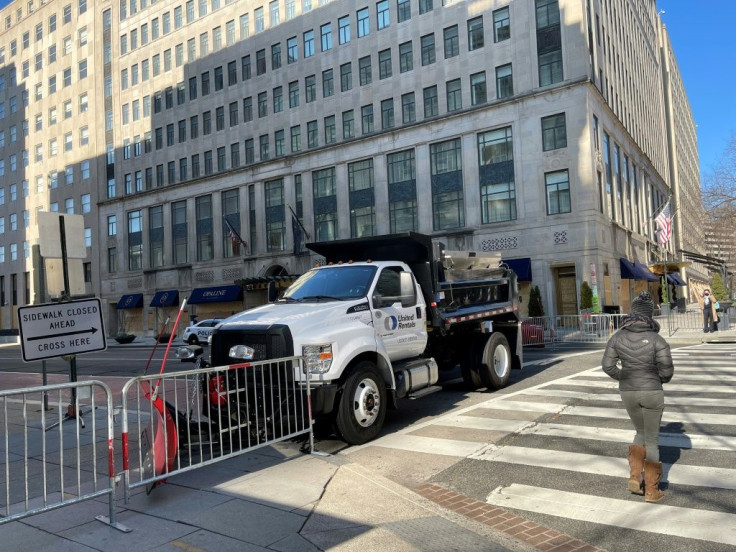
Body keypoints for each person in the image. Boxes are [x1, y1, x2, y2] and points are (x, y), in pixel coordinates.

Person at [601, 291, 674, 503]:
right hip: (652, 391)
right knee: (651, 439)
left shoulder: (617, 337)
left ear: (632, 313)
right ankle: (652, 490)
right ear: (649, 315)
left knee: (639, 432)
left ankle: (634, 476)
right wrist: (658, 380)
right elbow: (667, 370)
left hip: (628, 391)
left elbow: (607, 366)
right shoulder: (657, 339)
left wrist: (623, 376)